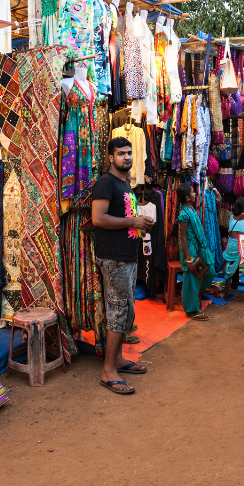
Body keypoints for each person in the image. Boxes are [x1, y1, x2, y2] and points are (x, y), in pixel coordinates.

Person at [91, 137, 154, 395]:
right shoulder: (106, 183)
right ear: (110, 157)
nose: (126, 157)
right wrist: (133, 222)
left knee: (125, 311)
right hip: (114, 257)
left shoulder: (125, 183)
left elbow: (125, 216)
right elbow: (98, 218)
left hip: (127, 256)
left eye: (129, 153)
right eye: (120, 153)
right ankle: (108, 372)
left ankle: (117, 360)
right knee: (117, 313)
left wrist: (140, 223)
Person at [176, 181, 214, 321]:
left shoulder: (191, 209)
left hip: (197, 247)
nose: (195, 194)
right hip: (190, 250)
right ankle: (192, 310)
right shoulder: (183, 214)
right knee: (191, 278)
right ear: (187, 197)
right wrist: (188, 258)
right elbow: (183, 237)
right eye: (192, 192)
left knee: (209, 270)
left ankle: (202, 288)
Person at [221, 196, 244, 293]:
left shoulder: (231, 217)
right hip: (243, 252)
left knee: (235, 254)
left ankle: (234, 285)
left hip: (230, 251)